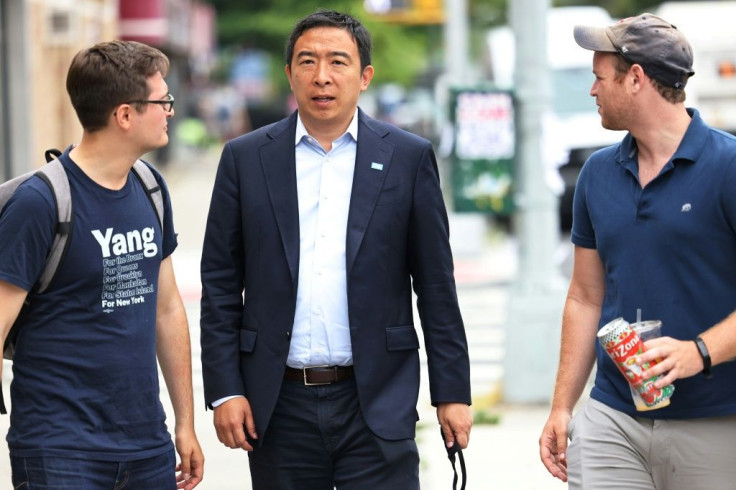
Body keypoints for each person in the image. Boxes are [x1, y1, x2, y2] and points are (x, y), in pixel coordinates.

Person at [200, 9, 472, 489]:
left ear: (365, 76)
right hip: (277, 406)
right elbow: (220, 284)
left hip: (376, 401)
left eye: (338, 62)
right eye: (307, 61)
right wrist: (225, 392)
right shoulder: (245, 159)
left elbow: (435, 285)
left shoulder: (406, 158)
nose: (321, 76)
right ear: (289, 74)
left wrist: (452, 393)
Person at [539, 13, 736, 489]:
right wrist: (563, 407)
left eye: (598, 77)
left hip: (716, 421)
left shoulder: (728, 167)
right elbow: (586, 296)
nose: (592, 91)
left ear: (635, 79)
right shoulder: (597, 174)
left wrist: (699, 352)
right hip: (613, 418)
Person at [0, 41, 204, 489]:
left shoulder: (151, 188)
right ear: (125, 115)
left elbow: (166, 309)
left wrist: (185, 423)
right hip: (59, 451)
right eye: (162, 101)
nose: (171, 110)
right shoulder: (41, 203)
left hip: (147, 449)